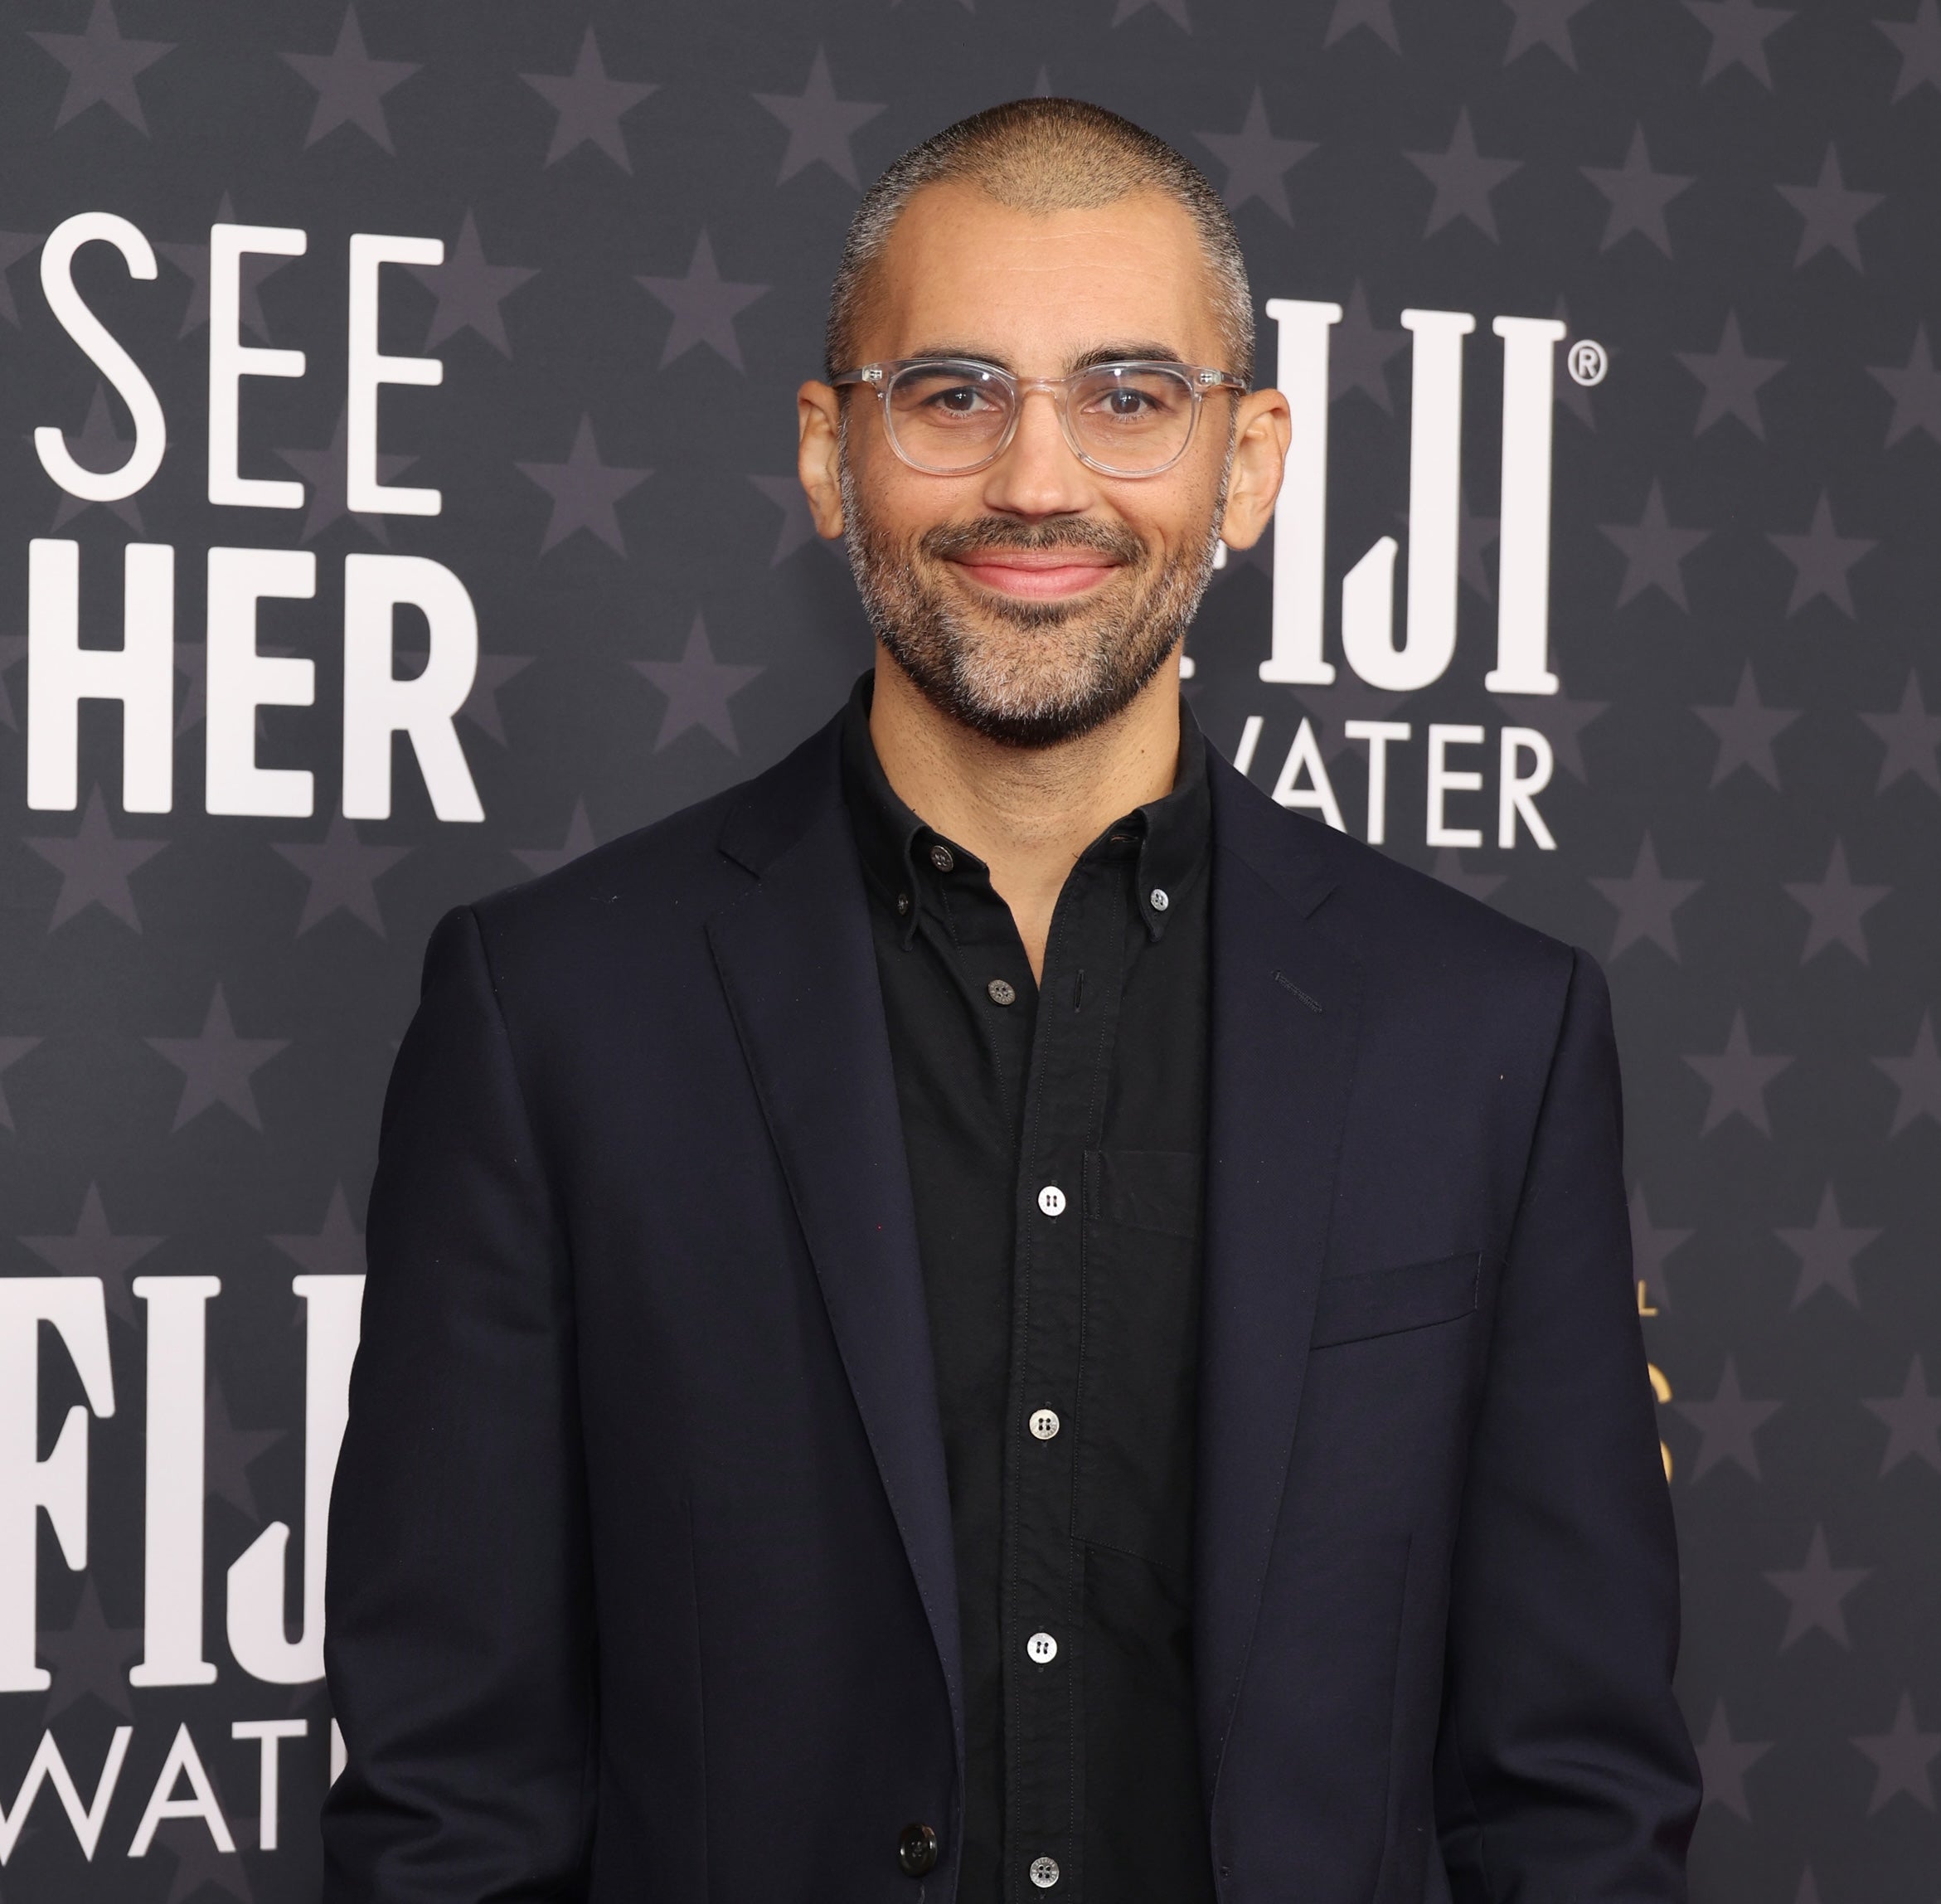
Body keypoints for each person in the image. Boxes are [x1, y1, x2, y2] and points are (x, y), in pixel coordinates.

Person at [321, 98, 1700, 1904]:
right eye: (953, 392)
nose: (1038, 479)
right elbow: (451, 1804)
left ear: (1252, 459)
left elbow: (1575, 1802)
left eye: (1129, 395)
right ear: (831, 453)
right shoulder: (554, 1015)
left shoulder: (1488, 1036)